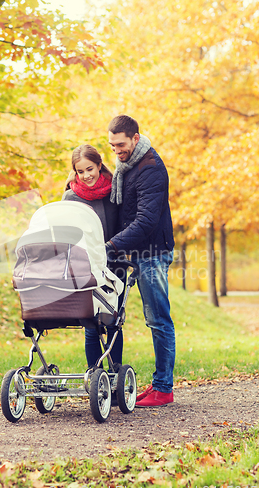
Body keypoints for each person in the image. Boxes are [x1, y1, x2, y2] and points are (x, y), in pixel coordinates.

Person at [106, 115, 175, 407]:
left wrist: (111, 245)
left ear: (135, 138)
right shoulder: (129, 166)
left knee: (158, 320)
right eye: (111, 145)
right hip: (138, 251)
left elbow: (146, 220)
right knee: (146, 319)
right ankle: (158, 384)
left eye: (120, 144)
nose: (116, 151)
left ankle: (163, 389)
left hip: (153, 252)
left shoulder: (150, 168)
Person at [62, 144, 124, 371]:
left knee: (113, 322)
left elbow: (123, 226)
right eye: (80, 171)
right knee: (91, 324)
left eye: (90, 169)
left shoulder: (115, 191)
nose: (86, 175)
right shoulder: (70, 197)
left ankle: (115, 375)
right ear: (75, 172)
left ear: (99, 165)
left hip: (114, 264)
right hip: (85, 267)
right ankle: (95, 377)